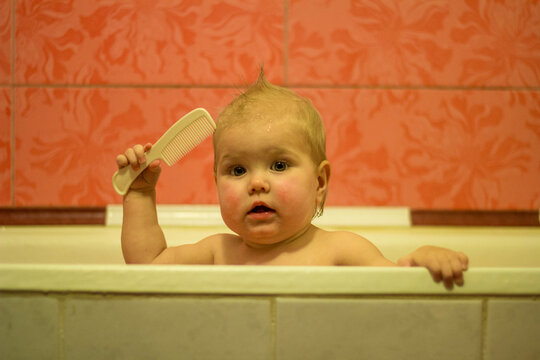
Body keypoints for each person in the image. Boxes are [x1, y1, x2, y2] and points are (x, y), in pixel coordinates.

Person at [116, 71, 468, 289]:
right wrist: (140, 195)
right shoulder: (218, 252)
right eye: (237, 171)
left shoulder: (341, 250)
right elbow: (147, 266)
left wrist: (422, 260)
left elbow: (396, 287)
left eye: (279, 165)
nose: (256, 183)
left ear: (319, 182)